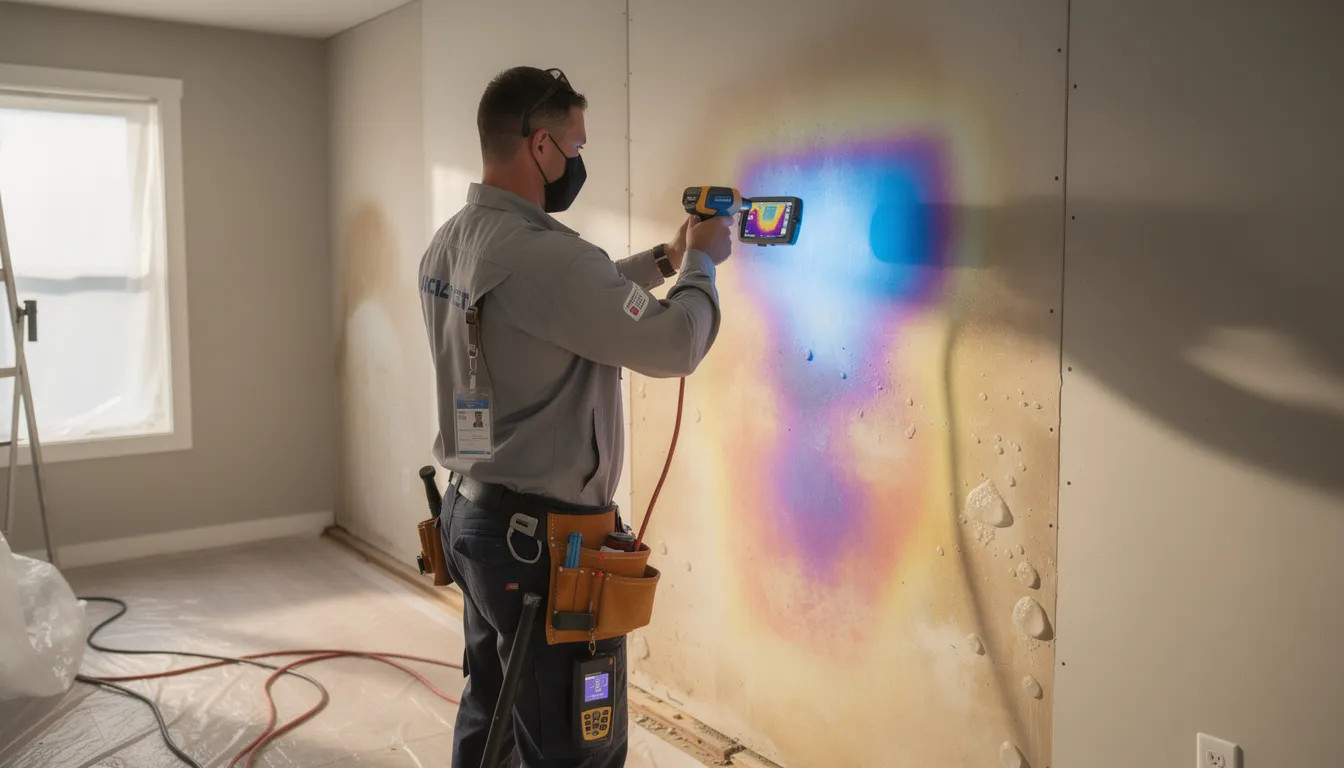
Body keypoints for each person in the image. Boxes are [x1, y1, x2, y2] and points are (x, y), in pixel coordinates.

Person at [418, 65, 733, 768]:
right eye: (576, 146)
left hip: (473, 521)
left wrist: (665, 257)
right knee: (572, 743)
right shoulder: (548, 258)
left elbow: (561, 306)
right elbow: (675, 343)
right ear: (539, 147)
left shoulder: (453, 241)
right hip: (542, 551)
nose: (578, 161)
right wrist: (703, 268)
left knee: (492, 710)